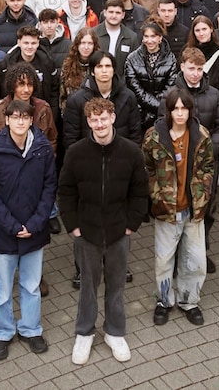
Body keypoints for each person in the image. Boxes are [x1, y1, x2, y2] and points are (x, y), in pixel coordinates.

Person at [59, 97, 149, 365]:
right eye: (94, 119)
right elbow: (65, 191)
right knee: (88, 285)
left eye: (104, 118)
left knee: (117, 285)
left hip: (119, 231)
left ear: (113, 118)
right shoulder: (75, 153)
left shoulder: (132, 152)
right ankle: (84, 332)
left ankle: (114, 331)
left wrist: (131, 224)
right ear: (88, 122)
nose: (99, 123)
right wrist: (72, 225)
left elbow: (140, 191)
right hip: (86, 232)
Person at [0, 99, 57, 360]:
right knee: (3, 289)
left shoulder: (43, 148)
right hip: (5, 232)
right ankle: (3, 332)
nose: (20, 121)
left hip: (34, 231)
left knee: (31, 285)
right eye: (15, 117)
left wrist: (36, 223)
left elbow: (50, 188)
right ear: (7, 120)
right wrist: (13, 226)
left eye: (25, 117)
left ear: (31, 120)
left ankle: (31, 329)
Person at [143, 88, 214, 327]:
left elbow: (208, 168)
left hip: (193, 211)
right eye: (176, 108)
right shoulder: (154, 137)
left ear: (190, 110)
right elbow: (147, 169)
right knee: (164, 261)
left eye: (185, 108)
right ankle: (164, 301)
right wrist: (157, 195)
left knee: (195, 261)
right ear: (169, 110)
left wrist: (203, 195)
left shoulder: (201, 136)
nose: (180, 113)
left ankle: (189, 302)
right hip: (166, 212)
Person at [163, 47, 219, 274]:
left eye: (199, 69)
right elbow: (163, 126)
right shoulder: (171, 94)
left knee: (206, 209)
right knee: (179, 207)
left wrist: (210, 150)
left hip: (207, 163)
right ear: (182, 67)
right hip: (179, 163)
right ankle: (176, 256)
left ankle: (201, 249)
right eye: (191, 68)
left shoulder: (215, 95)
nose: (195, 73)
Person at [62, 51, 142, 149]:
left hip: (121, 156)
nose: (104, 70)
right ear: (92, 71)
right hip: (89, 157)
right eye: (99, 66)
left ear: (113, 70)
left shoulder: (128, 97)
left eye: (108, 66)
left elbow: (136, 134)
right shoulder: (76, 100)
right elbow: (71, 138)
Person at [0, 62, 58, 155]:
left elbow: (52, 140)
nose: (26, 90)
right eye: (21, 84)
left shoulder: (43, 109)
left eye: (29, 85)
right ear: (13, 85)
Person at [124, 20, 178, 131]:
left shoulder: (171, 58)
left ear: (160, 38)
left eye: (153, 36)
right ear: (142, 38)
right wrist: (158, 106)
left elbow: (170, 87)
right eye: (146, 37)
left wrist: (160, 108)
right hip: (138, 115)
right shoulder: (132, 59)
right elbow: (135, 89)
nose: (150, 41)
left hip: (162, 116)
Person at [0, 26, 58, 111]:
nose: (30, 47)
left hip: (41, 113)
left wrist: (52, 114)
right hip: (13, 114)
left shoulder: (47, 63)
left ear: (38, 43)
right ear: (19, 43)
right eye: (26, 43)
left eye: (33, 43)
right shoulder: (5, 65)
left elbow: (54, 92)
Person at [187, 15, 219, 97]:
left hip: (212, 99)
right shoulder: (187, 50)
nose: (201, 33)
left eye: (204, 29)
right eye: (197, 30)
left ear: (211, 29)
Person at [94, 0, 140, 73]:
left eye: (118, 13)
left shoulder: (131, 37)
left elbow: (135, 65)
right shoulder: (93, 34)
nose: (114, 16)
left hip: (122, 82)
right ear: (105, 13)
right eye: (111, 12)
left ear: (123, 15)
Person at [59, 28, 100, 111]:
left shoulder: (99, 64)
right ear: (77, 45)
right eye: (83, 43)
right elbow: (63, 95)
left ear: (94, 45)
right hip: (72, 111)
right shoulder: (67, 65)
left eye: (90, 43)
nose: (86, 47)